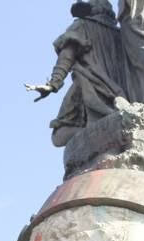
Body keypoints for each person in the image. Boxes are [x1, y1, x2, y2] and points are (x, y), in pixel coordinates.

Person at [28, 1, 127, 147]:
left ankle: (102, 131)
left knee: (59, 135)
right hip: (121, 94)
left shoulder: (81, 26)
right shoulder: (122, 34)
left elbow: (67, 56)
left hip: (88, 86)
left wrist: (53, 84)